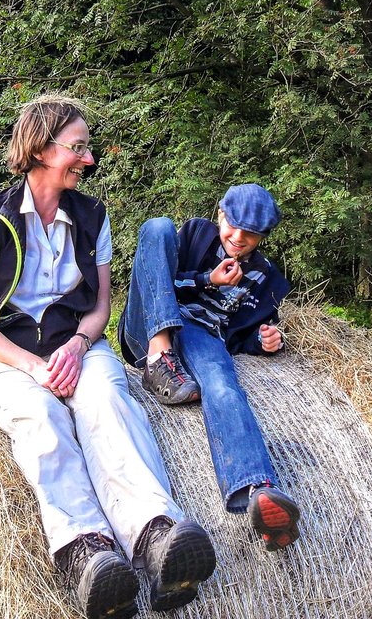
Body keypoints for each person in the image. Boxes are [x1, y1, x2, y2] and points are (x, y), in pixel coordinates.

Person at [0, 94, 215, 619]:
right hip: (2, 359)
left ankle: (155, 536)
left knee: (109, 401)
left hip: (77, 345)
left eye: (87, 148)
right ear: (40, 148)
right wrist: (33, 368)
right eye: (78, 148)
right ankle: (85, 552)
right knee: (42, 418)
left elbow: (100, 308)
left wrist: (77, 345)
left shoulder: (94, 217)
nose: (89, 159)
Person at [118, 184, 300, 552]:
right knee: (156, 226)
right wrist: (207, 280)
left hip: (202, 336)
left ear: (263, 236)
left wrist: (264, 340)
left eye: (251, 233)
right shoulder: (195, 235)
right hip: (151, 323)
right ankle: (159, 358)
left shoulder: (266, 277)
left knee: (223, 386)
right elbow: (157, 284)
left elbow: (242, 337)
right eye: (233, 226)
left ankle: (256, 491)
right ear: (220, 215)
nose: (239, 238)